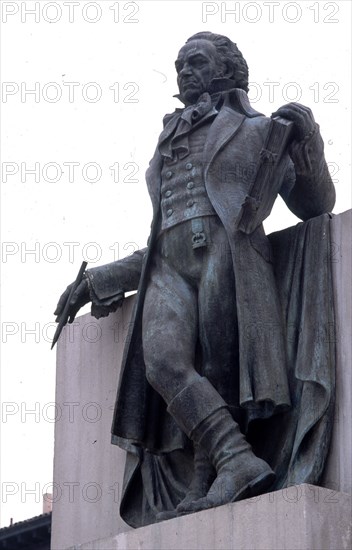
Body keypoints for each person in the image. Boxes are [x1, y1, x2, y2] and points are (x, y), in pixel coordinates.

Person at [54, 32, 335, 524]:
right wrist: (98, 280)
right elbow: (161, 232)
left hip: (227, 254)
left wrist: (309, 142)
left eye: (196, 61)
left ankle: (217, 475)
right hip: (168, 266)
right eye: (179, 64)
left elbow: (315, 206)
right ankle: (237, 459)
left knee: (219, 367)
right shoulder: (167, 140)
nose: (184, 71)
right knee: (161, 362)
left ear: (227, 68)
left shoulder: (260, 131)